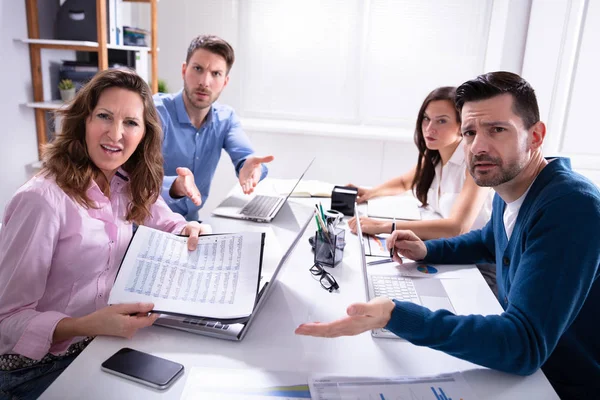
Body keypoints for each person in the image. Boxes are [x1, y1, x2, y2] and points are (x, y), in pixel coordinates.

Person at [295, 72, 600, 399]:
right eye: (469, 132)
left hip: (561, 384)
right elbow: (487, 241)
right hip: (530, 375)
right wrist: (427, 250)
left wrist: (396, 315)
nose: (479, 146)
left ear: (535, 136)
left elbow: (522, 345)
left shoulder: (570, 206)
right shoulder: (513, 183)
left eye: (497, 130)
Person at [0, 69, 211, 399]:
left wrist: (191, 228)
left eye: (130, 122)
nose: (115, 134)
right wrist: (88, 325)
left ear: (144, 134)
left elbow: (169, 223)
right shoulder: (41, 201)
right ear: (84, 121)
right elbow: (7, 321)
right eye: (104, 116)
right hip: (35, 368)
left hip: (100, 346)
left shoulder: (124, 182)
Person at [154, 34, 274, 220]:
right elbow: (130, 179)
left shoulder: (225, 118)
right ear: (184, 70)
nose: (205, 82)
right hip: (147, 225)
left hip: (190, 224)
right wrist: (175, 186)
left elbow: (247, 159)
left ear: (225, 81)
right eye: (198, 69)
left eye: (216, 74)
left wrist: (250, 168)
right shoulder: (156, 113)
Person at [348, 87, 492, 240]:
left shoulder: (476, 163)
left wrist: (384, 226)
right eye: (426, 118)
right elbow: (404, 183)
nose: (429, 129)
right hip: (446, 246)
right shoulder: (434, 156)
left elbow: (457, 228)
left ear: (462, 126)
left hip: (477, 259)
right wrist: (370, 193)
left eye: (441, 121)